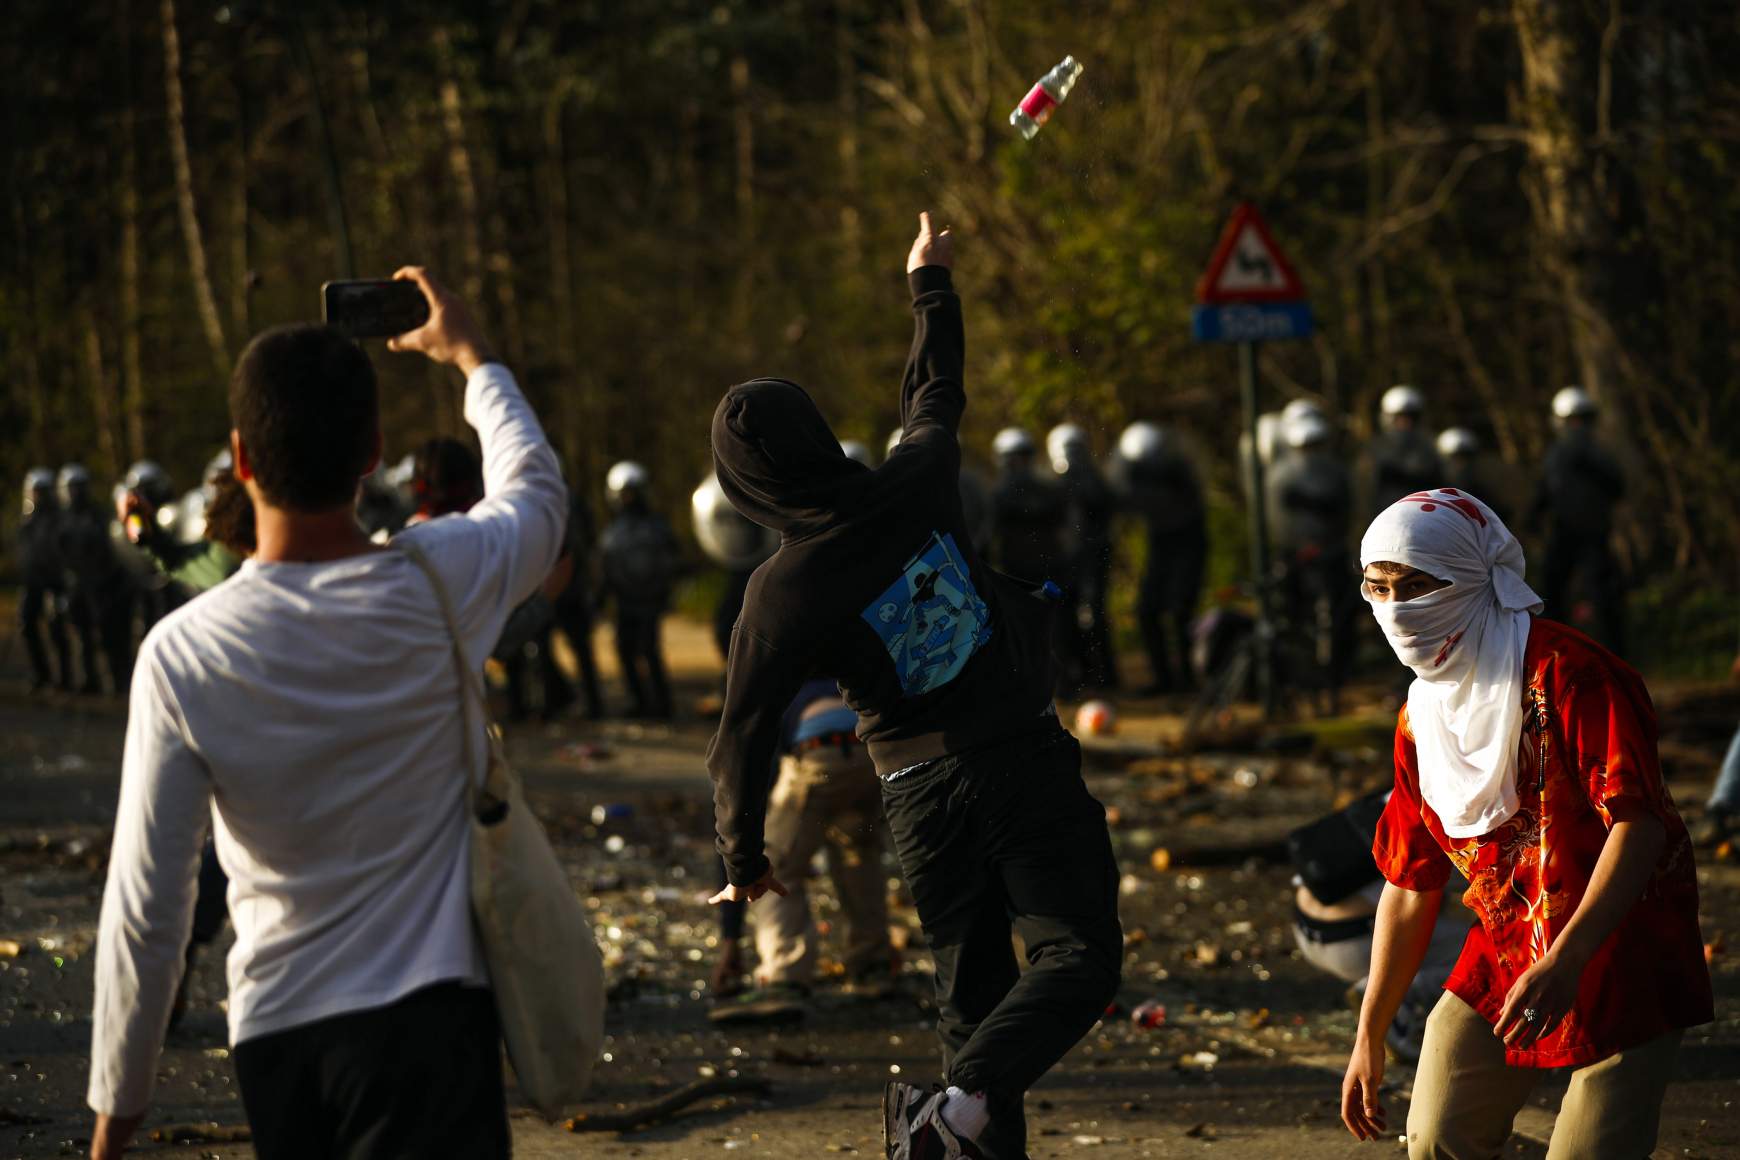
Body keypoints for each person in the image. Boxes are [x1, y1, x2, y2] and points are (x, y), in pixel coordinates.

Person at [87, 267, 565, 1160]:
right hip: (435, 1022)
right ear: (373, 451)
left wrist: (118, 1111)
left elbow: (149, 905)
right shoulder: (441, 580)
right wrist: (473, 359)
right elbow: (537, 496)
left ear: (242, 457)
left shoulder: (183, 653)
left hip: (278, 1031)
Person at [706, 213, 1121, 1160]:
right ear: (816, 436)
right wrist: (927, 283)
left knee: (970, 1000)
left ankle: (956, 1117)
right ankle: (960, 1103)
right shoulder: (916, 478)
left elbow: (740, 730)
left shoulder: (780, 589)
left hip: (918, 796)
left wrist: (741, 859)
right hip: (1016, 755)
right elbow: (936, 392)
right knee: (1079, 959)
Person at [1340, 487, 1711, 1159]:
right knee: (1437, 1138)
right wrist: (1370, 1031)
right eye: (1378, 589)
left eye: (1419, 586)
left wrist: (1568, 958)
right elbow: (1408, 880)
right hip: (1509, 943)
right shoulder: (1423, 718)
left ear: (1477, 580)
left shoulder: (1570, 675)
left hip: (1621, 942)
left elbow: (1639, 824)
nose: (1397, 610)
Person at [711, 679, 895, 1024]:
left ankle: (784, 978)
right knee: (859, 858)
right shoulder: (827, 671)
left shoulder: (763, 696)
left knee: (777, 865)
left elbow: (746, 823)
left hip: (817, 748)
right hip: (868, 751)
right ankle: (873, 967)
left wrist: (730, 939)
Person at [1266, 409, 1357, 711]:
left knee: (1332, 622)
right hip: (1295, 560)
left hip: (1330, 557)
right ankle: (1301, 688)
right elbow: (1277, 520)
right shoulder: (1280, 476)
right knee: (1293, 621)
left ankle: (1332, 686)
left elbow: (1344, 513)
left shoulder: (1337, 474)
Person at [1526, 386, 1627, 656]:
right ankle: (1554, 654)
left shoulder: (1599, 454)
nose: (1577, 427)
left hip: (1594, 536)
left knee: (1603, 595)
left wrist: (1590, 465)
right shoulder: (1555, 455)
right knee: (1550, 591)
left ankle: (1615, 656)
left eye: (1582, 420)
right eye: (1572, 421)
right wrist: (1532, 518)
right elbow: (1544, 491)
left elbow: (1618, 487)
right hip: (1563, 534)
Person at [1113, 421, 1207, 694]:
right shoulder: (1134, 470)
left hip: (1188, 542)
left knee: (1180, 612)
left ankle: (1187, 679)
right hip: (1160, 543)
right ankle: (1163, 678)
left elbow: (1190, 502)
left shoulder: (1179, 470)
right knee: (1147, 611)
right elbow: (1123, 501)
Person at [600, 460, 681, 719]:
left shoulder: (656, 527)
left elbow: (670, 561)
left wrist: (663, 592)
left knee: (648, 650)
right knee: (626, 651)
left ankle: (661, 703)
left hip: (648, 601)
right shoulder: (614, 531)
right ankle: (640, 701)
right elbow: (608, 566)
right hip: (626, 602)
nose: (628, 499)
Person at [1047, 423, 1117, 692]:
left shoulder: (1092, 481)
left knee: (1092, 615)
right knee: (1067, 616)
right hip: (1068, 561)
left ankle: (1103, 675)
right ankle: (1081, 673)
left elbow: (1104, 512)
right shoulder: (1059, 484)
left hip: (1091, 559)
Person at [56, 463, 135, 696]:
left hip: (102, 586)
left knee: (109, 635)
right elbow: (55, 555)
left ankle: (117, 679)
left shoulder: (98, 516)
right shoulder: (60, 521)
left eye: (80, 487)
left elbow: (112, 549)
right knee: (82, 636)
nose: (76, 493)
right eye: (72, 488)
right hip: (76, 587)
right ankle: (89, 679)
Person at [19, 467, 74, 693]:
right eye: (36, 492)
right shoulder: (27, 522)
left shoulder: (60, 520)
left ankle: (64, 678)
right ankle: (40, 674)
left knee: (57, 628)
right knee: (27, 624)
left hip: (55, 581)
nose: (40, 496)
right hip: (33, 581)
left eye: (43, 491)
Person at [1363, 385, 1442, 516]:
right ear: (1388, 418)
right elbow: (1365, 493)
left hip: (1423, 516)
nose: (1405, 423)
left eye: (1410, 418)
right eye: (1399, 418)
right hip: (1385, 518)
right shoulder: (1375, 448)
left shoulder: (1430, 448)